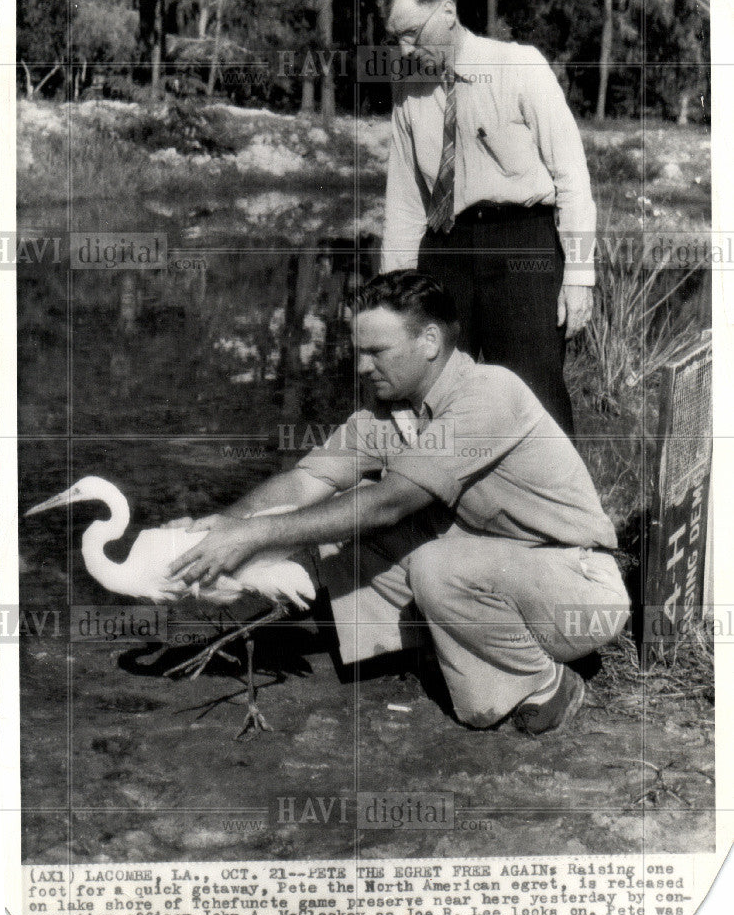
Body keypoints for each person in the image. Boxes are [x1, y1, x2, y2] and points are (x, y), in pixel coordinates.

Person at [169, 270, 629, 734]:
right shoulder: (391, 414)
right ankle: (445, 644)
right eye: (359, 353)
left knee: (430, 563)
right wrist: (222, 526)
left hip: (578, 589)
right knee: (330, 526)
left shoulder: (489, 392)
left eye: (377, 352)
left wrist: (256, 535)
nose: (362, 367)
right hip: (504, 569)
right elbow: (306, 481)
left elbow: (389, 503)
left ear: (430, 340)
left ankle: (545, 687)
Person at [379, 0, 597, 435]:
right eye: (396, 38)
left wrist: (579, 276)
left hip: (522, 248)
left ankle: (557, 508)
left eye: (413, 34)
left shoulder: (519, 67)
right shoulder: (408, 88)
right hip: (445, 248)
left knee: (534, 401)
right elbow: (403, 207)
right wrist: (391, 301)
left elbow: (572, 179)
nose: (405, 51)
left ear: (449, 13)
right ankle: (445, 507)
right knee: (432, 401)